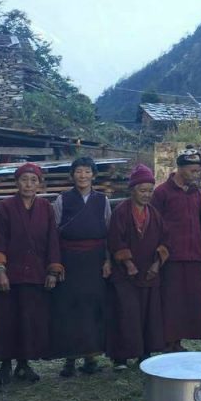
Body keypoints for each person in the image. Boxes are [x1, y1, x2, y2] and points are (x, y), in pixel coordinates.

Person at [0, 163, 63, 384]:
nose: (29, 184)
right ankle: (5, 364)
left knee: (29, 321)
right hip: (10, 275)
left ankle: (24, 364)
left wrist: (53, 271)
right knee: (5, 320)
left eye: (33, 180)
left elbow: (52, 241)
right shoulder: (5, 207)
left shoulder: (46, 208)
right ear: (16, 182)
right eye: (24, 179)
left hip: (36, 274)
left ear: (39, 184)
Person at [50, 156, 111, 378]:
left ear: (94, 175)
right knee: (69, 308)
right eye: (78, 172)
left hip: (94, 261)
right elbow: (53, 234)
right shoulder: (62, 200)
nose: (83, 176)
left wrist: (107, 260)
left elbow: (108, 234)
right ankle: (69, 358)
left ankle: (91, 356)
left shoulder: (102, 200)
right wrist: (56, 263)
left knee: (92, 307)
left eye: (87, 172)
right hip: (70, 260)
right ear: (72, 175)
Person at [106, 164, 167, 369]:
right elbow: (115, 239)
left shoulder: (155, 214)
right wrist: (128, 263)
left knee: (149, 314)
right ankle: (121, 357)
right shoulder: (121, 212)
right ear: (132, 190)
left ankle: (145, 353)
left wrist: (157, 264)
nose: (146, 195)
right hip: (126, 275)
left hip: (149, 273)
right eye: (142, 191)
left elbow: (165, 241)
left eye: (150, 191)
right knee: (126, 313)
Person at [152, 146, 201, 353]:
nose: (197, 173)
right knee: (171, 301)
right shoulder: (162, 193)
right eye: (193, 170)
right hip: (171, 257)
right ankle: (168, 342)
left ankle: (179, 340)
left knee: (189, 301)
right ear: (180, 168)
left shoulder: (196, 194)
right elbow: (155, 224)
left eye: (198, 170)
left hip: (194, 256)